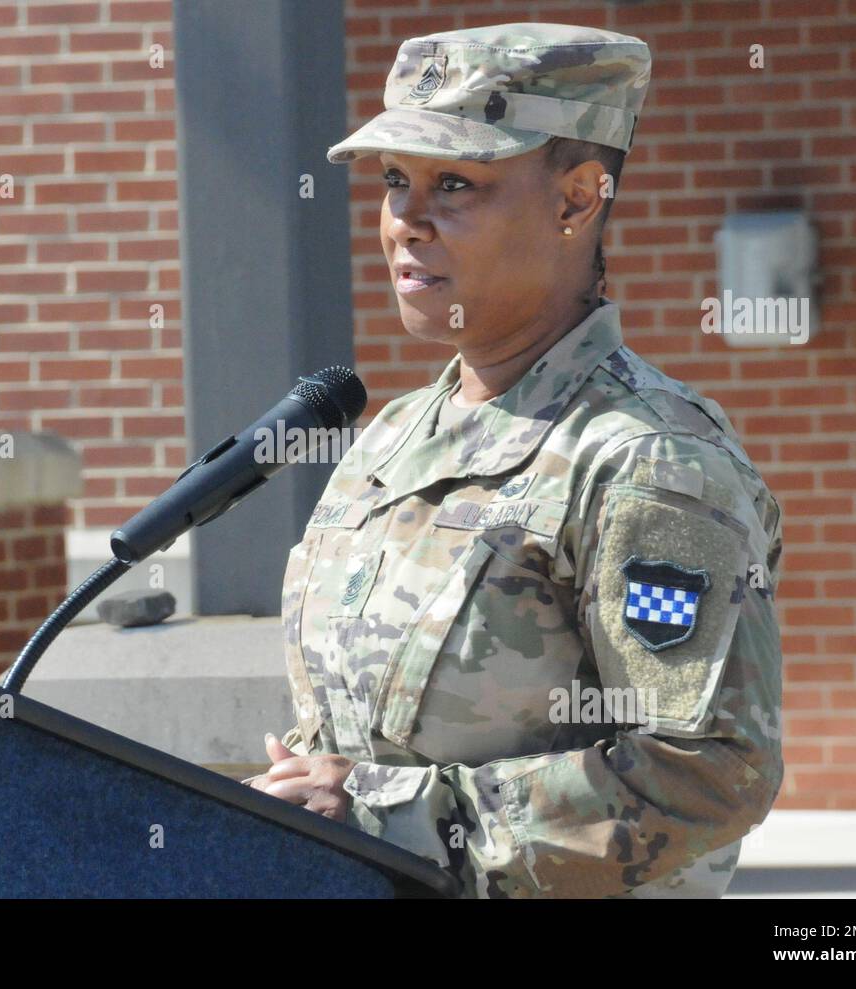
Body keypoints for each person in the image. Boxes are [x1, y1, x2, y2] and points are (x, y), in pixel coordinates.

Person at [243, 22, 785, 898]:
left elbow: (709, 768)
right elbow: (345, 746)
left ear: (576, 200)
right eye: (395, 183)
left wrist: (391, 819)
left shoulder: (646, 461)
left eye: (455, 184)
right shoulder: (391, 438)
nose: (406, 222)